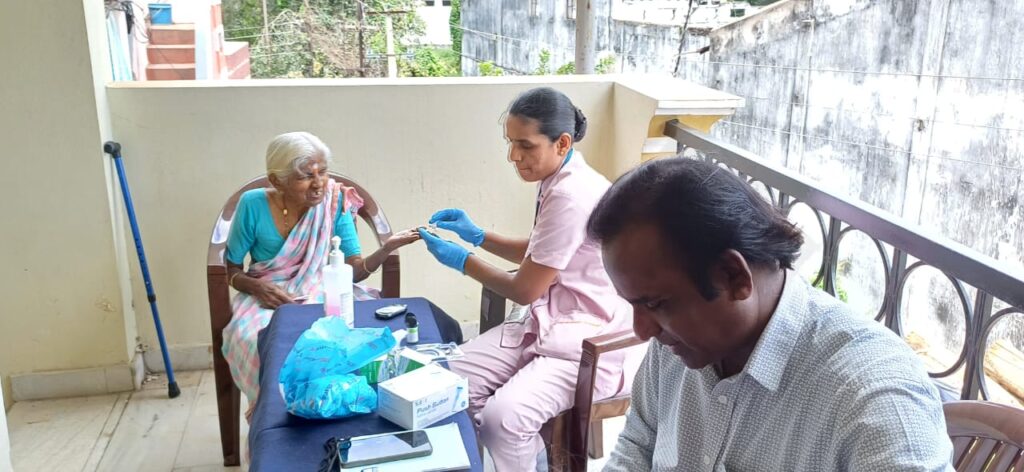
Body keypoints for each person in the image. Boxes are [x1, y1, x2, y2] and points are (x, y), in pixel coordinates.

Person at [588, 158, 954, 471]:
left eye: (654, 304)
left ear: (734, 276)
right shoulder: (676, 345)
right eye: (633, 305)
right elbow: (638, 443)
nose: (642, 330)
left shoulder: (871, 398)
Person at [416, 87, 640, 471]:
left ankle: (522, 453)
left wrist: (463, 260)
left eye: (525, 145)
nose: (513, 156)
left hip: (588, 339)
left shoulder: (572, 192)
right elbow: (542, 255)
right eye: (510, 143)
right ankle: (527, 458)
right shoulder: (558, 175)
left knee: (504, 421)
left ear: (562, 142)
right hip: (549, 320)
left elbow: (526, 287)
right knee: (449, 383)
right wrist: (479, 236)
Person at [222, 131, 419, 416]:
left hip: (326, 285)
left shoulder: (334, 200)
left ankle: (348, 408)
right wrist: (257, 288)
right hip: (267, 294)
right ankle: (274, 420)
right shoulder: (253, 204)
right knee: (260, 340)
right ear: (277, 180)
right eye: (305, 176)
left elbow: (353, 270)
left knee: (360, 336)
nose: (318, 184)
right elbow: (230, 267)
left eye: (323, 173)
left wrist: (385, 250)